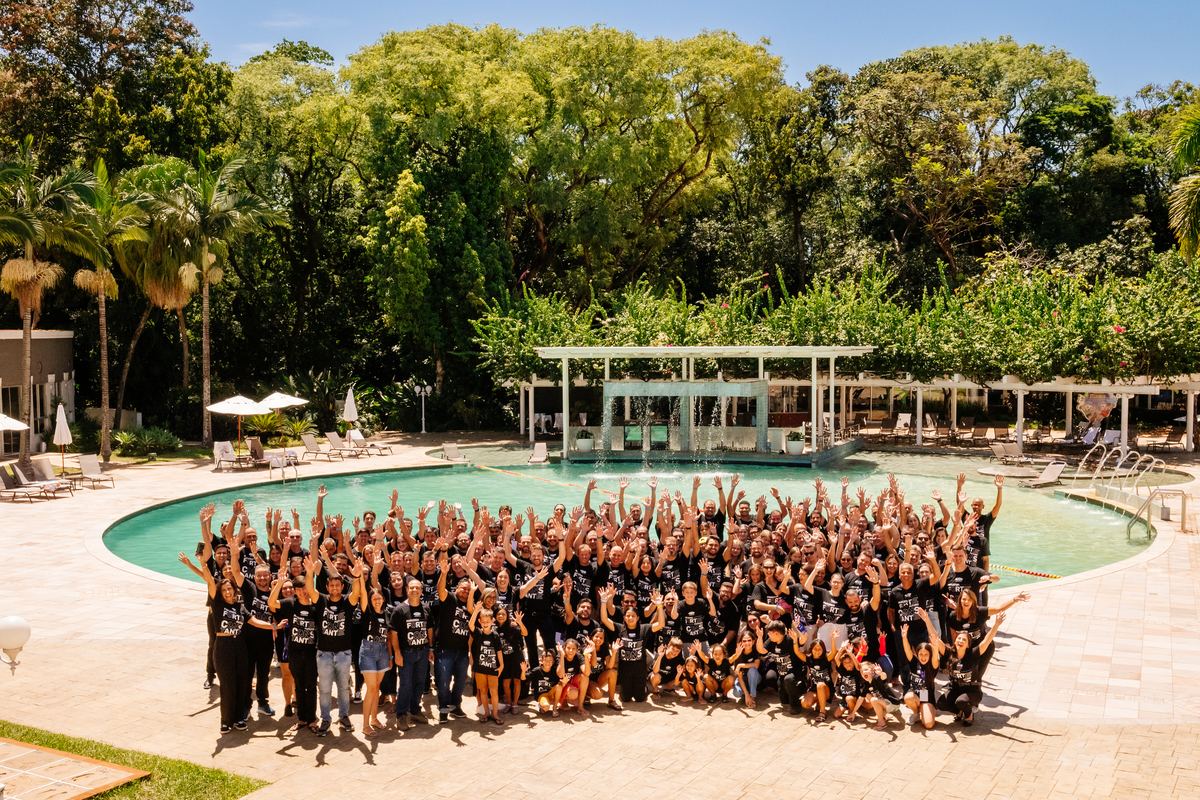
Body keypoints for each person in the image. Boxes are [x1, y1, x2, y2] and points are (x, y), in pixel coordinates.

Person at [180, 548, 250, 733]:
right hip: (221, 630)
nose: (228, 572)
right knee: (216, 651)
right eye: (225, 570)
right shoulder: (219, 591)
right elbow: (208, 578)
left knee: (240, 682)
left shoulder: (240, 584)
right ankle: (211, 676)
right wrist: (198, 563)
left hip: (239, 635)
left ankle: (238, 717)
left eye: (230, 569)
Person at [308, 555, 362, 736]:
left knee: (344, 688)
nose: (334, 588)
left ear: (341, 587)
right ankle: (325, 719)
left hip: (344, 653)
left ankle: (344, 716)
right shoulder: (322, 600)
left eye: (337, 585)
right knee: (324, 689)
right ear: (327, 587)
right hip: (324, 653)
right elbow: (310, 589)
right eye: (331, 585)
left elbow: (356, 593)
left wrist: (357, 576)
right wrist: (309, 573)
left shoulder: (347, 601)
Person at [933, 611, 1008, 726]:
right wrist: (926, 620)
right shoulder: (949, 653)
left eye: (964, 640)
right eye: (959, 638)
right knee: (941, 703)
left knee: (961, 701)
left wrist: (996, 624)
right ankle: (959, 711)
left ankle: (969, 715)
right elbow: (935, 637)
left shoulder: (973, 654)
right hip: (955, 689)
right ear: (955, 641)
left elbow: (986, 641)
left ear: (968, 644)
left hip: (972, 691)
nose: (961, 641)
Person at [389, 576, 432, 731]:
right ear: (407, 590)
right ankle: (401, 715)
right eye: (411, 588)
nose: (414, 590)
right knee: (405, 685)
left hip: (422, 652)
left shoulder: (426, 608)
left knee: (419, 683)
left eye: (417, 588)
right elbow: (393, 633)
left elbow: (429, 629)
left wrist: (430, 649)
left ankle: (415, 711)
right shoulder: (400, 610)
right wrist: (397, 654)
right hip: (406, 654)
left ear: (421, 591)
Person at [357, 587, 391, 736]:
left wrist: (390, 657)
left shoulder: (387, 613)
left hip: (383, 651)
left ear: (383, 599)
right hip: (368, 651)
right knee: (371, 688)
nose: (377, 601)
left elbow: (389, 636)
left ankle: (374, 719)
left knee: (376, 687)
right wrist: (359, 578)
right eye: (374, 599)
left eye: (379, 598)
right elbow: (363, 594)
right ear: (370, 601)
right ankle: (365, 725)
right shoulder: (367, 612)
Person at [469, 605, 504, 725]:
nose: (485, 624)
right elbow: (471, 625)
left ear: (492, 621)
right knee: (483, 691)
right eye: (483, 622)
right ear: (479, 621)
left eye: (487, 622)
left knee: (494, 692)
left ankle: (495, 714)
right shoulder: (478, 633)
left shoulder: (495, 636)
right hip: (480, 669)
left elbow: (499, 651)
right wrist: (475, 612)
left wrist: (502, 665)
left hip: (493, 669)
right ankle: (486, 713)